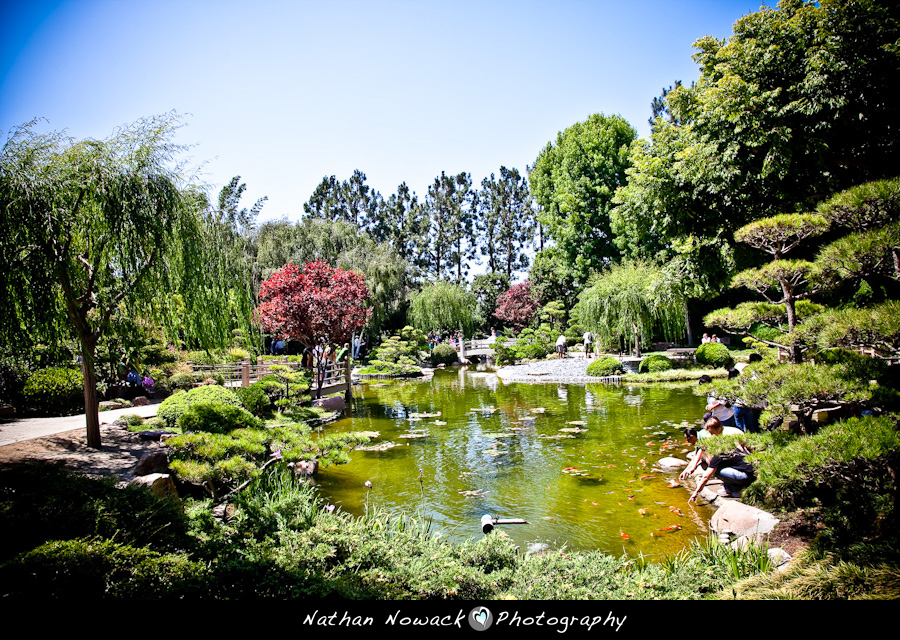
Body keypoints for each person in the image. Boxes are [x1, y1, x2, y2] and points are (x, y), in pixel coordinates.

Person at [688, 446, 756, 501]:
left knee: (716, 471)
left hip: (745, 477)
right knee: (720, 468)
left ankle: (737, 490)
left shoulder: (717, 456)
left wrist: (696, 492)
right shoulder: (729, 449)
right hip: (751, 475)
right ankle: (730, 489)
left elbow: (706, 477)